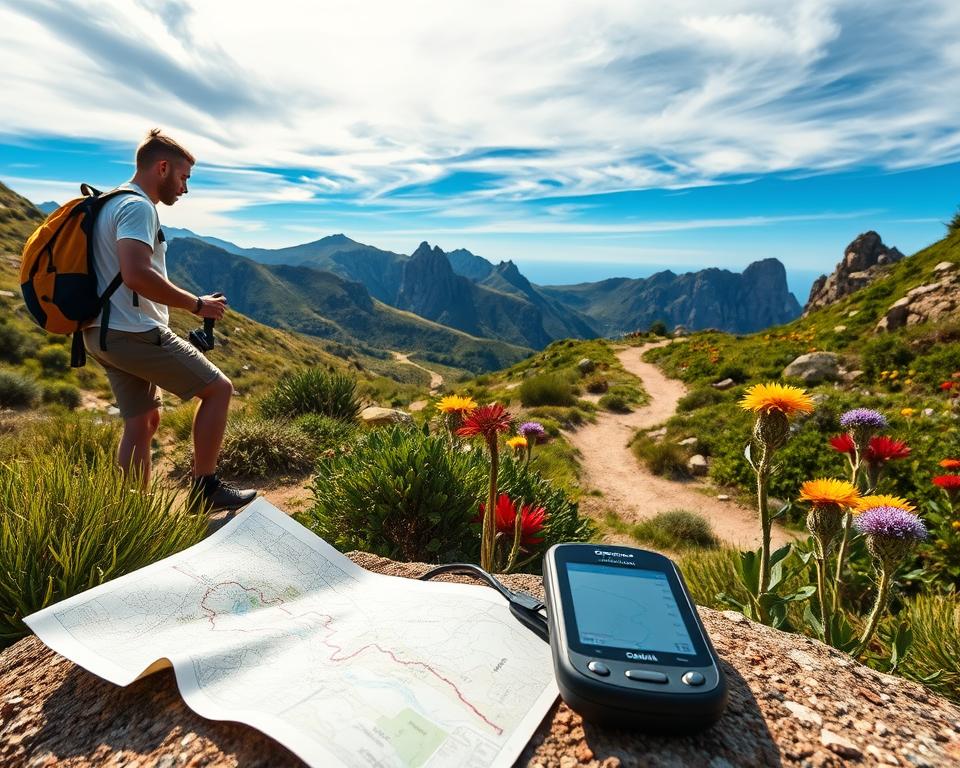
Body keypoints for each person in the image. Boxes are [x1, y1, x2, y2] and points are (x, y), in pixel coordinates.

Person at [83, 128, 256, 514]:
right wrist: (197, 305)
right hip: (133, 332)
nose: (185, 188)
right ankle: (205, 488)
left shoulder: (109, 203)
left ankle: (128, 513)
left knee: (142, 421)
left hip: (100, 332)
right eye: (184, 177)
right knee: (218, 390)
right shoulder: (138, 207)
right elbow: (136, 274)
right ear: (162, 167)